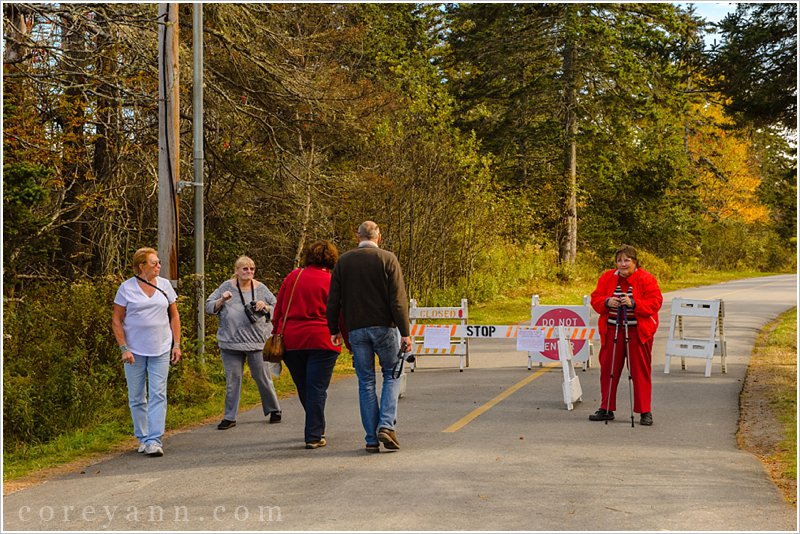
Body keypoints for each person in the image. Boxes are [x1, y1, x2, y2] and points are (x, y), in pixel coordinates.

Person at [327, 221, 411, 453]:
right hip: (384, 327)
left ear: (358, 236)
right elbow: (397, 300)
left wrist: (333, 329)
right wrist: (405, 332)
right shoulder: (388, 259)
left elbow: (334, 299)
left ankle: (371, 439)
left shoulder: (344, 261)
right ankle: (385, 424)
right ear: (379, 237)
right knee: (392, 374)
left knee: (365, 382)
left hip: (356, 329)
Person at [112, 247, 182, 457]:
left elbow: (174, 316)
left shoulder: (165, 286)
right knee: (136, 396)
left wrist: (176, 344)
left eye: (159, 263)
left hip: (160, 347)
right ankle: (142, 437)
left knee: (158, 393)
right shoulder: (126, 288)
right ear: (141, 266)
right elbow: (117, 320)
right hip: (134, 351)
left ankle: (154, 439)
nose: (159, 266)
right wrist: (123, 348)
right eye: (154, 263)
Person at [273, 241, 341, 450]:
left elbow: (279, 308)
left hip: (293, 339)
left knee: (304, 386)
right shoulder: (332, 281)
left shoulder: (294, 276)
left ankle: (315, 426)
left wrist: (276, 331)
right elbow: (340, 311)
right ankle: (313, 433)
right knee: (317, 387)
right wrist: (346, 338)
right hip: (323, 338)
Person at [589, 244, 663, 426]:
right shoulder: (607, 277)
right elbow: (595, 298)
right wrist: (607, 301)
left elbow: (655, 302)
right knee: (609, 370)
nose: (622, 264)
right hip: (612, 330)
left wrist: (634, 303)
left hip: (637, 331)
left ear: (635, 262)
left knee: (640, 371)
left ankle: (645, 411)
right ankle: (606, 408)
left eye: (626, 260)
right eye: (619, 260)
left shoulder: (646, 279)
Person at [206, 256, 281, 430]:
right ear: (237, 270)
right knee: (233, 380)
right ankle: (229, 416)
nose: (249, 272)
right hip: (230, 342)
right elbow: (209, 306)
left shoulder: (261, 288)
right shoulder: (226, 286)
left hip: (256, 341)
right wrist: (222, 300)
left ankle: (274, 409)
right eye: (245, 269)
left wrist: (266, 307)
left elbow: (277, 306)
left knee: (262, 377)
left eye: (252, 269)